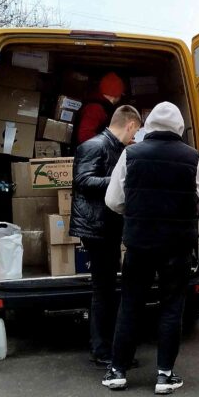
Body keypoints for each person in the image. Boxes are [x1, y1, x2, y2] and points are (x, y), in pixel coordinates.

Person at [102, 102, 199, 394]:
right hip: (177, 246)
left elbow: (113, 200)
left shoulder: (131, 154)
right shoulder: (192, 158)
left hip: (139, 242)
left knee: (131, 304)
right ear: (178, 127)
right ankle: (165, 375)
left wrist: (136, 210)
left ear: (148, 125)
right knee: (171, 306)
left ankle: (118, 371)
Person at [70, 105, 141, 368]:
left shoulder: (115, 147)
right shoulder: (94, 146)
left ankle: (108, 348)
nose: (135, 137)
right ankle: (102, 350)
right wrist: (117, 181)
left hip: (106, 226)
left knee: (108, 289)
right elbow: (82, 180)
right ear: (130, 124)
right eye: (136, 130)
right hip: (96, 227)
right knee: (103, 291)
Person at [75, 72, 125, 145]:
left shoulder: (102, 106)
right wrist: (111, 142)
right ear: (117, 94)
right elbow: (84, 135)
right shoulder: (95, 109)